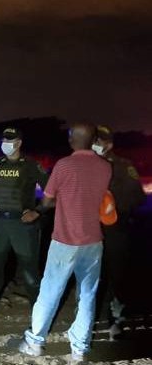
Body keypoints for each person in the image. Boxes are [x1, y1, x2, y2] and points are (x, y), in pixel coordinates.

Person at [19, 123, 112, 363]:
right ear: (93, 141)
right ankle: (79, 349)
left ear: (71, 140)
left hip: (65, 240)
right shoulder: (105, 167)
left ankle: (35, 342)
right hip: (93, 242)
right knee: (88, 295)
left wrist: (36, 212)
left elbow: (48, 200)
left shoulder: (63, 165)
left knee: (50, 291)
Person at [0, 127, 48, 313]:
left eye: (10, 140)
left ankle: (38, 309)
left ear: (19, 143)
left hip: (22, 225)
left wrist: (38, 211)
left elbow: (51, 192)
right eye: (4, 140)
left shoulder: (31, 165)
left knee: (29, 269)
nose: (6, 144)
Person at [91, 125, 146, 337]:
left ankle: (116, 317)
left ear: (109, 144)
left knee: (116, 274)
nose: (96, 144)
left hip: (115, 229)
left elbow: (138, 197)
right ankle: (86, 317)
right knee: (88, 274)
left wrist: (112, 202)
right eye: (93, 139)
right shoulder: (84, 163)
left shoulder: (123, 166)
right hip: (87, 229)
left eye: (100, 140)